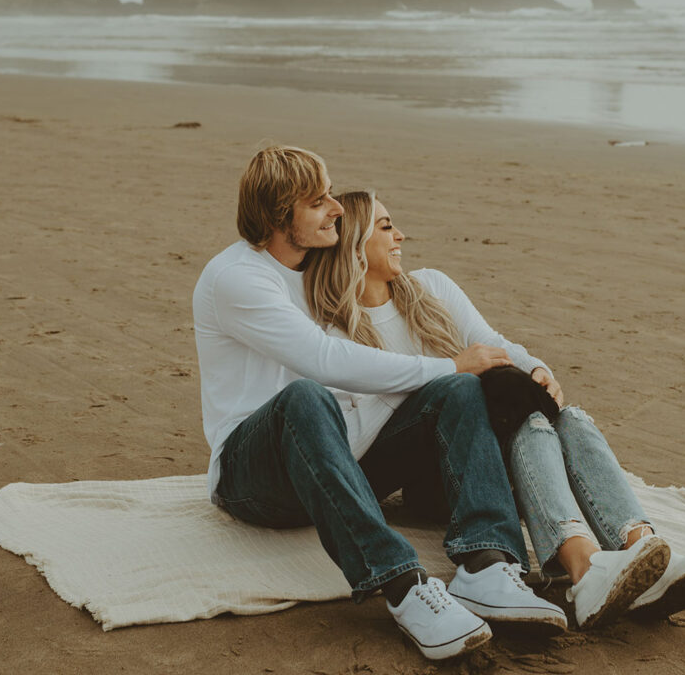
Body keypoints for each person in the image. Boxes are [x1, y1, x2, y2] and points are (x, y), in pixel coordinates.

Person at [193, 146, 571, 661]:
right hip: (253, 476)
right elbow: (324, 359)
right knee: (305, 396)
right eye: (318, 201)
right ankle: (404, 585)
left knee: (457, 392)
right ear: (281, 214)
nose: (335, 208)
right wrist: (449, 364)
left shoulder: (316, 272)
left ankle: (486, 564)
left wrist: (502, 368)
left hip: (336, 462)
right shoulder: (238, 278)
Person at [303, 190, 685, 631]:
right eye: (386, 227)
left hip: (481, 449)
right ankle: (584, 569)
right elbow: (351, 444)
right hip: (437, 471)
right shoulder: (332, 335)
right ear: (355, 244)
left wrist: (538, 369)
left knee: (562, 415)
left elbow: (493, 340)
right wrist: (444, 376)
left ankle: (641, 546)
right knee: (498, 399)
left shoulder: (430, 287)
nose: (401, 234)